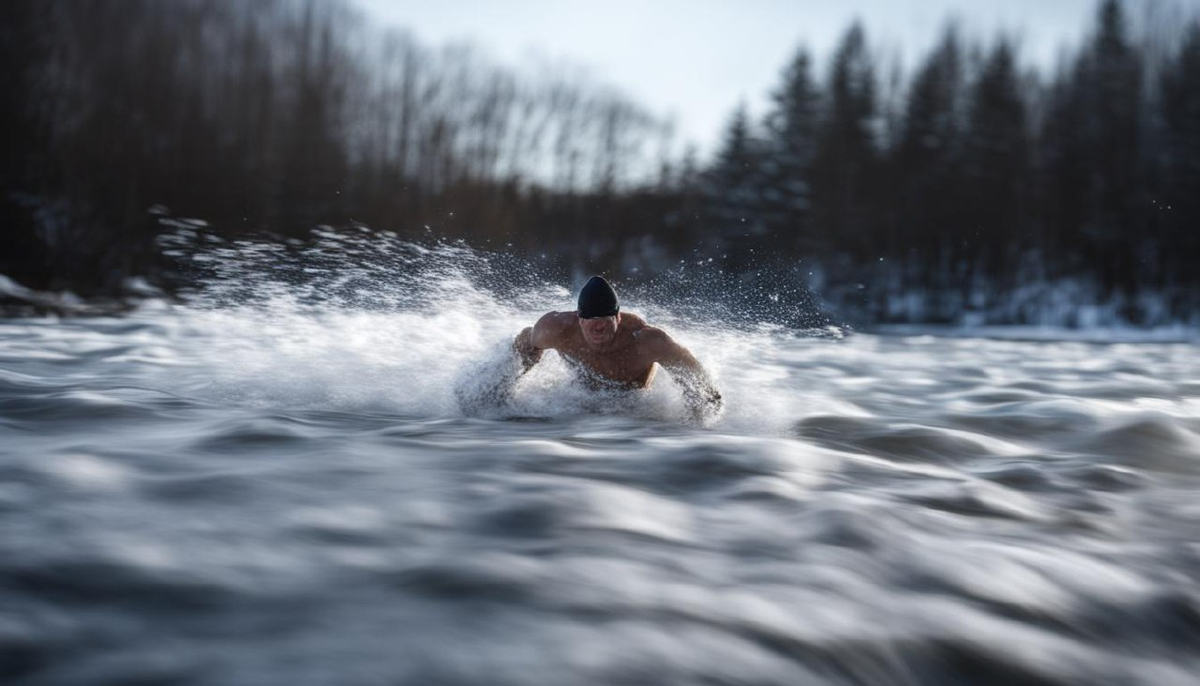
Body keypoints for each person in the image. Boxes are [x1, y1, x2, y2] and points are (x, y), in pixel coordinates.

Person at [512, 276, 723, 421]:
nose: (598, 326)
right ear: (579, 319)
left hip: (630, 418)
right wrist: (497, 393)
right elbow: (525, 347)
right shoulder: (556, 329)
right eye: (591, 319)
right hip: (575, 414)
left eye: (605, 319)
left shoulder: (647, 341)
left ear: (618, 318)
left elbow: (703, 389)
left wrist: (696, 428)